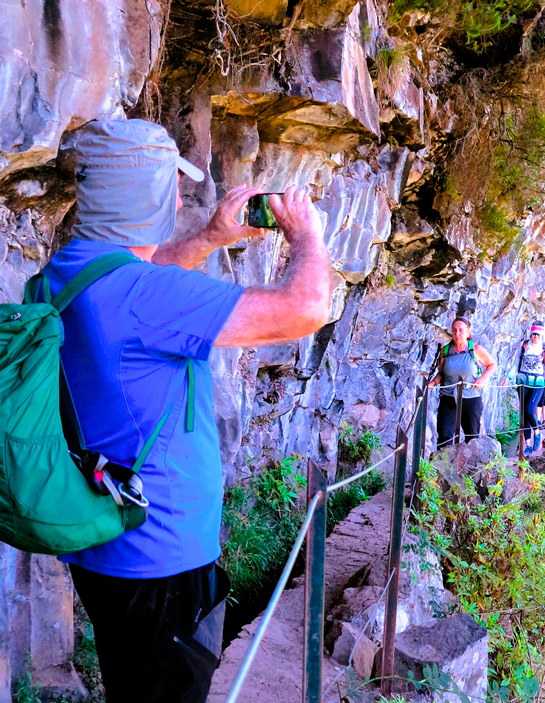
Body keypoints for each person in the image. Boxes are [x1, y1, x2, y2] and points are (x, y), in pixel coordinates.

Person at [46, 119, 331, 703]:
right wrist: (308, 235)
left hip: (105, 543)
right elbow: (306, 308)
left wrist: (209, 236)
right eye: (167, 185)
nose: (176, 197)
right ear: (142, 194)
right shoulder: (145, 298)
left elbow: (137, 276)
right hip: (161, 561)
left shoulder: (68, 271)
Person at [428, 317, 497, 448]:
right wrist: (431, 384)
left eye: (461, 330)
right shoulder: (446, 350)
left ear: (468, 332)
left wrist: (482, 379)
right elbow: (442, 373)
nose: (457, 334)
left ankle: (470, 467)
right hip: (448, 396)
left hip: (471, 396)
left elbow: (492, 364)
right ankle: (443, 465)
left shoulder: (475, 350)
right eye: (454, 330)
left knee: (472, 436)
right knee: (444, 435)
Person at [515, 323, 545, 456]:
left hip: (538, 383)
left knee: (530, 409)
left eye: (538, 335)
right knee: (524, 414)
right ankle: (528, 445)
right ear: (531, 334)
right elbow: (516, 362)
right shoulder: (525, 345)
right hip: (523, 381)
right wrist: (508, 377)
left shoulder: (544, 347)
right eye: (534, 334)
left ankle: (537, 434)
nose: (535, 337)